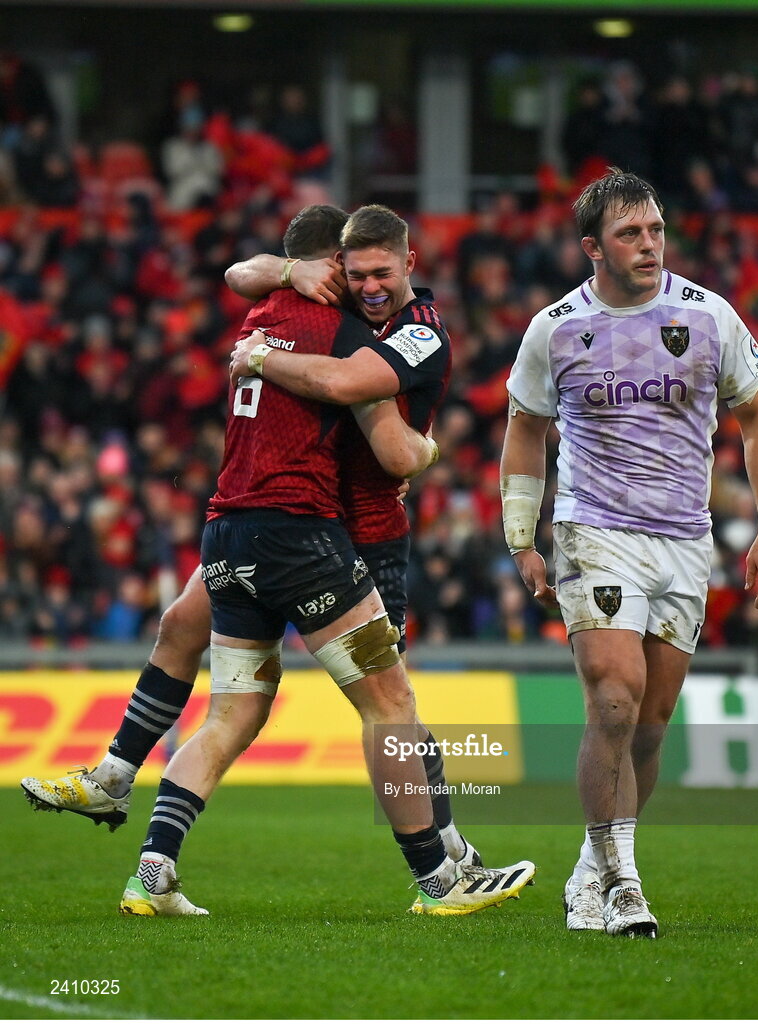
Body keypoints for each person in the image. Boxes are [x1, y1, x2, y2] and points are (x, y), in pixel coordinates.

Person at [23, 204, 535, 917]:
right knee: (391, 705)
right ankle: (439, 874)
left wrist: (269, 323)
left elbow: (242, 274)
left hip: (231, 528)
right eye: (354, 274)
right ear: (331, 271)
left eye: (379, 273)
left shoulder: (270, 319)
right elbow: (386, 443)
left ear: (408, 264)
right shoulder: (344, 330)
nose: (368, 286)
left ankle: (147, 859)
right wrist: (426, 450)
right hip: (316, 535)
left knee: (227, 697)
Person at [500, 168, 758, 938]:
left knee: (652, 724)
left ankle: (589, 869)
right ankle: (626, 881)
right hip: (593, 531)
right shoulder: (555, 328)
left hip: (683, 542)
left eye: (656, 229)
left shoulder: (708, 317)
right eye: (630, 233)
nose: (649, 244)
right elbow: (524, 429)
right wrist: (519, 538)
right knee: (614, 697)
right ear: (592, 247)